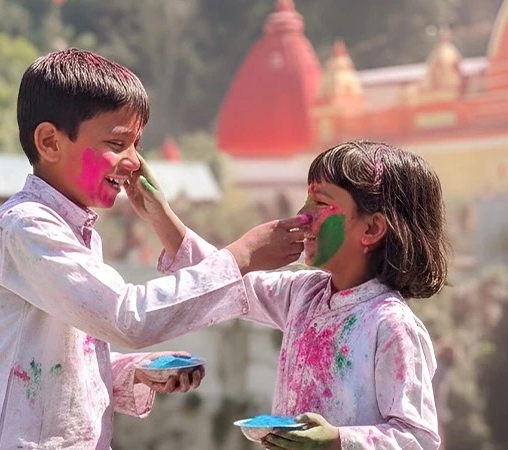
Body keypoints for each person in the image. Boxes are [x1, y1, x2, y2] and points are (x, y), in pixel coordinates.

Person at [0, 48, 306, 450]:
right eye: (117, 143)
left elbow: (55, 367)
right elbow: (126, 318)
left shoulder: (78, 231)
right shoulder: (27, 228)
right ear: (49, 141)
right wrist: (241, 256)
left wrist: (135, 372)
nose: (133, 162)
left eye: (137, 145)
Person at [161, 140, 447, 449]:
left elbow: (418, 439)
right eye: (306, 201)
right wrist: (157, 212)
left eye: (321, 204)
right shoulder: (304, 294)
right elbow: (226, 281)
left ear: (372, 229)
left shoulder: (391, 325)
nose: (302, 215)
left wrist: (338, 440)